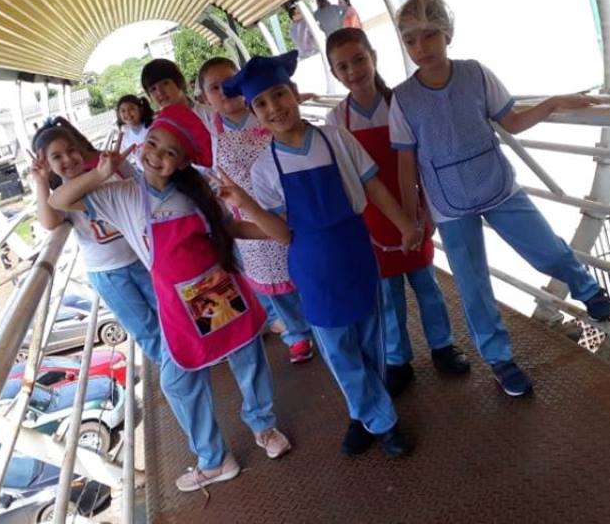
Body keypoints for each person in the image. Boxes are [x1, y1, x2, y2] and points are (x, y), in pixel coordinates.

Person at [47, 105, 291, 491]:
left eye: (170, 152)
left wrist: (276, 228)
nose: (156, 155)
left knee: (248, 356)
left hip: (220, 288)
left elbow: (230, 229)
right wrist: (99, 173)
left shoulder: (199, 191)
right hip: (179, 305)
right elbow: (59, 202)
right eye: (154, 143)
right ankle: (214, 458)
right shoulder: (121, 195)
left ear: (182, 162)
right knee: (178, 382)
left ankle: (264, 427)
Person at [389, 0, 610, 398]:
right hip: (447, 203)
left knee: (545, 248)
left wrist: (553, 103)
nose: (420, 47)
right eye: (410, 39)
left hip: (496, 185)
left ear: (447, 34)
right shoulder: (403, 100)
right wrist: (412, 218)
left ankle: (586, 287)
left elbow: (511, 120)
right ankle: (499, 359)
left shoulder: (476, 74)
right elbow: (405, 166)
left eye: (429, 35)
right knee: (473, 285)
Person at [222, 50, 421, 458]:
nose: (273, 108)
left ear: (294, 93)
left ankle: (363, 413)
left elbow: (374, 187)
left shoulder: (336, 137)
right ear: (253, 112)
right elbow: (280, 235)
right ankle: (383, 421)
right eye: (261, 103)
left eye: (279, 95)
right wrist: (246, 203)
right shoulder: (264, 168)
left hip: (355, 253)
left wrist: (405, 224)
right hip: (311, 266)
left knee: (371, 342)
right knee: (336, 349)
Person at [325, 28, 470, 398]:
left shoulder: (401, 105)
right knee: (387, 297)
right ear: (334, 71)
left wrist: (429, 211)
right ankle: (397, 359)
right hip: (371, 223)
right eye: (343, 65)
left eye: (359, 59)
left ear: (373, 56)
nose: (354, 70)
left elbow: (424, 161)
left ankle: (442, 346)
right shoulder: (336, 121)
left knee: (428, 288)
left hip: (413, 212)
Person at [198, 57, 315, 364]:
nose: (226, 91)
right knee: (277, 289)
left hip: (289, 208)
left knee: (305, 271)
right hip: (249, 223)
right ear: (204, 98)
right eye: (215, 88)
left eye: (231, 81)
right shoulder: (209, 134)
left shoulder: (267, 113)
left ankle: (318, 321)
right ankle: (297, 334)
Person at [30, 118, 165, 365]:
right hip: (108, 273)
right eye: (56, 157)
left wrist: (117, 166)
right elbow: (49, 222)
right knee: (146, 330)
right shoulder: (62, 194)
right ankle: (174, 370)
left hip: (142, 259)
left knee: (168, 314)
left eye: (71, 151)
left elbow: (139, 186)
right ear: (47, 166)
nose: (68, 159)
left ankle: (185, 358)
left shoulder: (106, 175)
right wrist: (40, 182)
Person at [115, 94, 154, 169]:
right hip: (147, 176)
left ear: (141, 109)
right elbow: (122, 158)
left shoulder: (153, 127)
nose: (127, 113)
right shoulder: (125, 137)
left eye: (131, 109)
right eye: (123, 111)